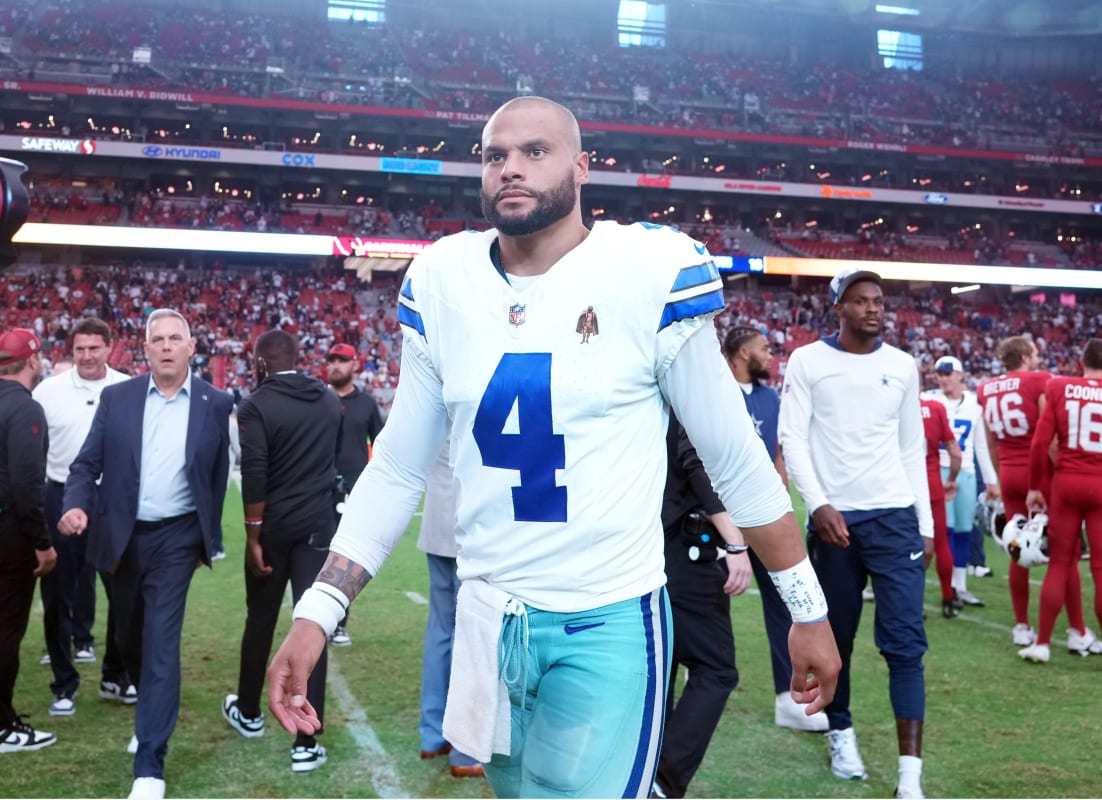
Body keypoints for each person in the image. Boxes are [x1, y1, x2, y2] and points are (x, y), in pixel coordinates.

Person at [267, 96, 840, 799]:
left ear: (581, 166)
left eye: (534, 152)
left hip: (607, 616)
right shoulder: (443, 279)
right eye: (494, 155)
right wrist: (317, 613)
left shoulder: (648, 267)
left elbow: (734, 459)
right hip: (489, 619)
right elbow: (395, 470)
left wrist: (807, 609)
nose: (510, 168)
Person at [58, 309, 232, 800]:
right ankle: (148, 712)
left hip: (176, 540)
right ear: (146, 349)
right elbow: (86, 464)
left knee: (160, 644)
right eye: (158, 339)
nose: (168, 346)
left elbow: (217, 476)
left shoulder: (215, 402)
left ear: (191, 346)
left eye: (176, 338)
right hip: (121, 537)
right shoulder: (118, 397)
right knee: (129, 634)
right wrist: (75, 506)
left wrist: (205, 536)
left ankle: (150, 763)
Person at [778, 268, 933, 799]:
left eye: (878, 300)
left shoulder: (903, 365)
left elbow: (913, 447)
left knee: (906, 645)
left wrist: (927, 524)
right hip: (836, 521)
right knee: (834, 638)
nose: (873, 308)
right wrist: (819, 504)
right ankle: (840, 732)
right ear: (838, 307)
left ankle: (909, 775)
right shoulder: (808, 360)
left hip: (895, 517)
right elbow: (792, 439)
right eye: (861, 300)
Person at [222, 329, 341, 772]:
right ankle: (306, 742)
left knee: (261, 619)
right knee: (313, 627)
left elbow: (254, 475)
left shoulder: (255, 405)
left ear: (260, 363)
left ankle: (250, 712)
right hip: (318, 528)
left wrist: (253, 535)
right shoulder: (328, 399)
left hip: (272, 529)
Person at [721, 325, 827, 732]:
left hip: (762, 515)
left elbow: (779, 451)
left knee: (783, 602)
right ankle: (692, 677)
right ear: (742, 352)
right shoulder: (714, 393)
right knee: (705, 602)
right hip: (715, 515)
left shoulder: (770, 398)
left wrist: (781, 491)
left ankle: (788, 698)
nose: (770, 355)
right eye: (764, 348)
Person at [32, 317, 136, 717]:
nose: (87, 356)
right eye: (80, 349)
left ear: (110, 347)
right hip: (59, 495)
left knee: (122, 594)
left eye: (94, 348)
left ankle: (115, 674)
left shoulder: (127, 388)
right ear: (70, 350)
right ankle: (64, 682)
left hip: (111, 502)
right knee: (57, 595)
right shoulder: (49, 391)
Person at [654, 414, 752, 799]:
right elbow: (695, 461)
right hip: (681, 546)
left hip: (639, 544)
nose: (766, 347)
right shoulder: (689, 383)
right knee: (716, 668)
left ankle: (644, 774)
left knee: (659, 669)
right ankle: (662, 781)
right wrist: (735, 541)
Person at [978, 336, 1090, 649]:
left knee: (1018, 548)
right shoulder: (1040, 381)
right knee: (1063, 553)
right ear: (1025, 356)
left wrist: (1001, 478)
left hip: (1010, 472)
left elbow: (990, 442)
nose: (1039, 358)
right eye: (1036, 353)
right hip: (1039, 472)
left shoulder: (987, 389)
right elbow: (1047, 435)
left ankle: (1021, 625)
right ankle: (1078, 630)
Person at [1022, 338, 1102, 663]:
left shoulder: (1059, 387)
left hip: (1067, 482)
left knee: (1058, 564)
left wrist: (1034, 487)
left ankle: (1041, 644)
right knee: (1100, 569)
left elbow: (1041, 442)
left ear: (1082, 361)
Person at [0, 328, 57, 752]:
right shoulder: (25, 408)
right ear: (33, 360)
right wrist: (42, 540)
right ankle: (3, 724)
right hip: (10, 537)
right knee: (6, 630)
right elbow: (26, 483)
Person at [417, 441, 484, 779]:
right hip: (472, 525)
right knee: (470, 638)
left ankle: (433, 734)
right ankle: (465, 748)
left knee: (440, 631)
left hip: (439, 519)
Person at [923, 355, 999, 607]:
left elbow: (980, 446)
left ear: (960, 375)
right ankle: (946, 587)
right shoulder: (930, 401)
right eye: (940, 374)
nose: (943, 379)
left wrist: (990, 479)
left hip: (964, 471)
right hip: (938, 470)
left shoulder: (974, 405)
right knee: (945, 531)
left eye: (947, 374)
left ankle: (960, 586)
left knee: (965, 530)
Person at [324, 342, 383, 647]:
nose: (335, 365)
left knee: (345, 561)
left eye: (341, 361)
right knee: (316, 556)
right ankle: (315, 619)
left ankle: (339, 624)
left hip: (354, 492)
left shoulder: (367, 404)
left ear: (354, 365)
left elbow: (383, 445)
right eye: (331, 360)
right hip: (318, 491)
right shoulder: (318, 400)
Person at [920, 398, 962, 619]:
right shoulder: (935, 408)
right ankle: (948, 597)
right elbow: (955, 453)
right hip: (933, 484)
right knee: (941, 542)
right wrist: (952, 480)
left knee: (906, 545)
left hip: (903, 487)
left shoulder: (893, 404)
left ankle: (913, 601)